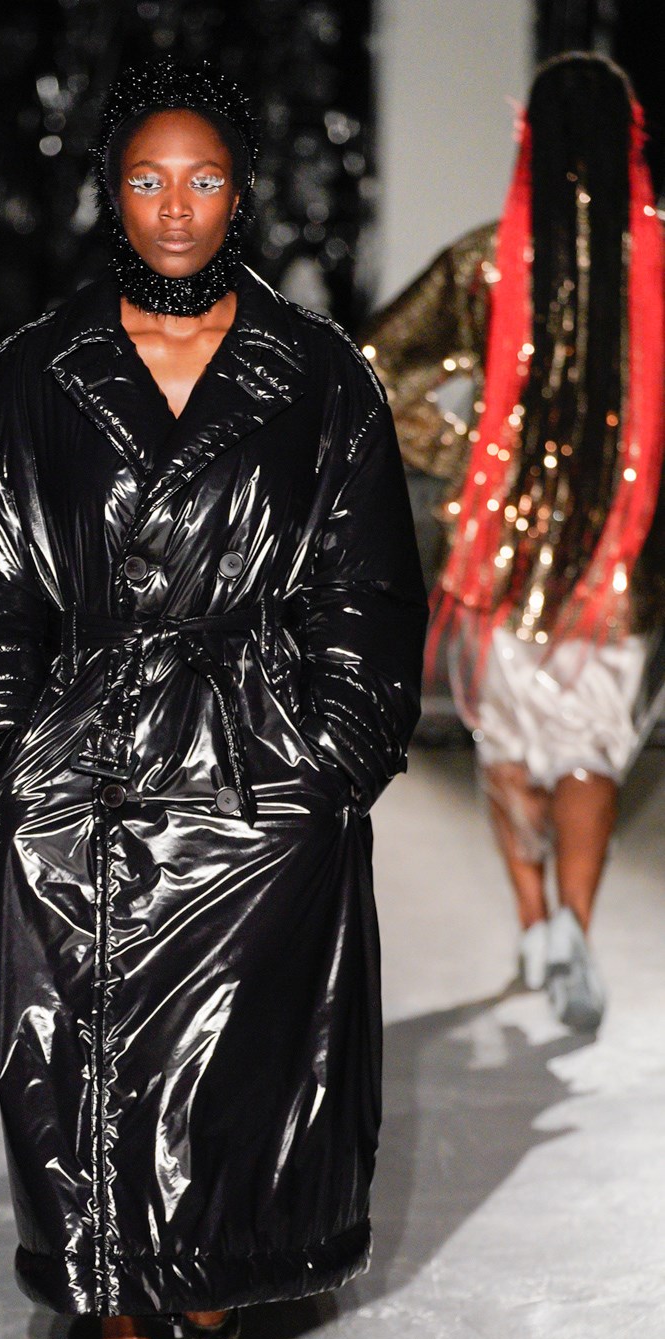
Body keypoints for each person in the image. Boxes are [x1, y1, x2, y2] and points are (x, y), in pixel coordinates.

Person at [0, 60, 426, 1339]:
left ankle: (210, 1267)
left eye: (202, 178)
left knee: (239, 1054)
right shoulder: (26, 377)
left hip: (258, 763)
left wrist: (336, 752)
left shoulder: (319, 373)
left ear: (241, 191)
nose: (176, 206)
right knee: (84, 1058)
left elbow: (368, 583)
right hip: (83, 762)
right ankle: (124, 1327)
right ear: (111, 192)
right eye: (147, 179)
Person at [363, 53, 665, 1033]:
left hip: (499, 558)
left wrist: (465, 457)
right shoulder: (660, 263)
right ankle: (573, 921)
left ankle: (533, 924)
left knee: (507, 749)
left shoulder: (486, 260)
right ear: (629, 140)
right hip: (624, 566)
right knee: (591, 756)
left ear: (528, 138)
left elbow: (371, 371)